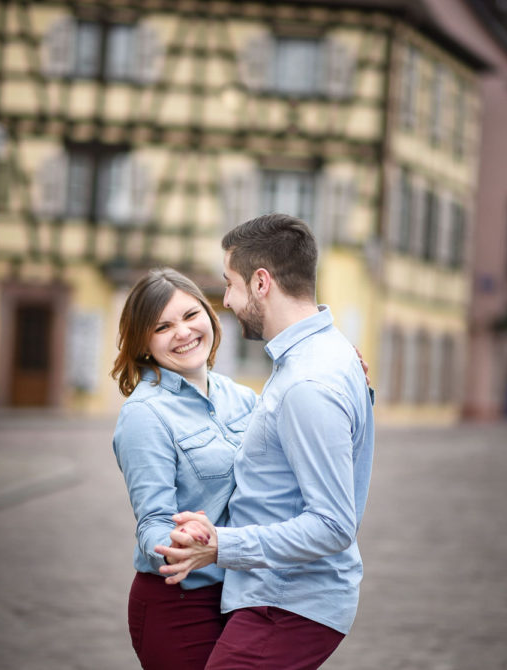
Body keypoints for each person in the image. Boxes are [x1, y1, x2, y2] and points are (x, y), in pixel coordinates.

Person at [154, 213, 376, 670]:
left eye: (229, 283)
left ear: (261, 282)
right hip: (278, 596)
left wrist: (221, 547)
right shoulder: (323, 357)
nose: (227, 300)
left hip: (288, 601)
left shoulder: (307, 381)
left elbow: (334, 525)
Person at [110, 268, 259, 670]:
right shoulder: (144, 414)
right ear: (143, 342)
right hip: (179, 606)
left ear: (210, 317)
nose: (183, 332)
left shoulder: (243, 398)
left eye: (191, 315)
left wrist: (349, 386)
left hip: (245, 597)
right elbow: (152, 523)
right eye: (163, 326)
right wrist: (179, 544)